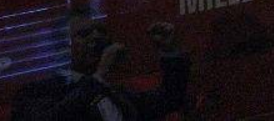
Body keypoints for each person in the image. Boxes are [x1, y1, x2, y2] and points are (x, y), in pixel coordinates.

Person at [10, 14, 189, 120]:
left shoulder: (116, 93)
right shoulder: (38, 92)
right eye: (84, 34)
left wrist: (169, 51)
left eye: (101, 32)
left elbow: (170, 100)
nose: (96, 38)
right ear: (62, 48)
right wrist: (99, 76)